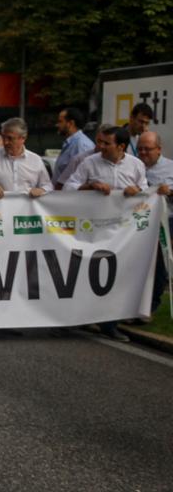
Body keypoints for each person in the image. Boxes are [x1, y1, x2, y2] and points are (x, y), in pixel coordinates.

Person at [66, 126, 148, 342]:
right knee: (86, 274)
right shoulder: (90, 163)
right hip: (91, 230)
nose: (99, 146)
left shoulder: (136, 165)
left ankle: (109, 324)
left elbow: (146, 194)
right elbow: (67, 188)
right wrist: (88, 186)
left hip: (123, 233)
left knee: (117, 278)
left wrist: (137, 191)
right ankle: (77, 320)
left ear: (121, 146)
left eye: (105, 143)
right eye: (99, 142)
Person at [136, 131, 172, 316]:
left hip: (162, 223)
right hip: (136, 223)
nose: (143, 152)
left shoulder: (171, 168)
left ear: (159, 149)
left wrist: (170, 192)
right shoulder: (133, 165)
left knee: (157, 264)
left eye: (147, 149)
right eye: (139, 148)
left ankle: (152, 304)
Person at [0, 118, 51, 199]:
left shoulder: (35, 160)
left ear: (23, 138)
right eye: (3, 137)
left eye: (10, 138)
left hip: (25, 211)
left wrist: (41, 190)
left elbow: (48, 185)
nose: (5, 142)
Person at [53, 107, 93, 189]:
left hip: (72, 197)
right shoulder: (71, 143)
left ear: (70, 123)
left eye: (60, 121)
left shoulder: (82, 145)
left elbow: (83, 177)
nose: (57, 125)